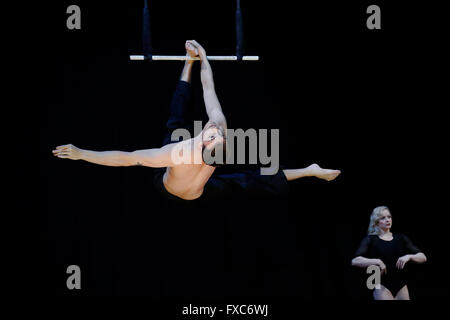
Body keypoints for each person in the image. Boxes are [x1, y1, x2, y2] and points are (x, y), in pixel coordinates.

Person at [52, 40, 341, 201]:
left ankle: (308, 170)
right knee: (179, 121)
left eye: (214, 133)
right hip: (182, 187)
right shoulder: (206, 134)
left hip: (182, 188)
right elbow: (209, 88)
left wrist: (81, 154)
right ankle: (185, 65)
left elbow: (125, 158)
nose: (215, 128)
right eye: (217, 131)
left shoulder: (185, 151)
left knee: (248, 177)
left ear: (205, 141)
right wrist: (201, 58)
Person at [351, 206, 427, 300]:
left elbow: (423, 257)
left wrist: (409, 256)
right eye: (383, 218)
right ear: (376, 221)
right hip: (380, 284)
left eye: (389, 217)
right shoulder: (371, 239)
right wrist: (377, 261)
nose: (387, 220)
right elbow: (355, 261)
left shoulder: (401, 238)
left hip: (401, 285)